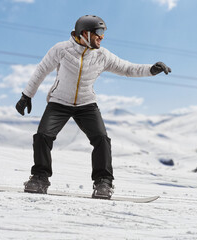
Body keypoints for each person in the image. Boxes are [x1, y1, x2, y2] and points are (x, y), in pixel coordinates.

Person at [15, 15, 171, 199]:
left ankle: (103, 182)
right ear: (84, 33)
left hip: (86, 104)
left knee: (101, 139)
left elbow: (127, 68)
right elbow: (41, 70)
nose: (102, 37)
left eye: (103, 32)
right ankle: (39, 178)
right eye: (98, 32)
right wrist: (26, 95)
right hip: (59, 102)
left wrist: (151, 69)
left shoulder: (102, 55)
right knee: (43, 136)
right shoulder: (61, 50)